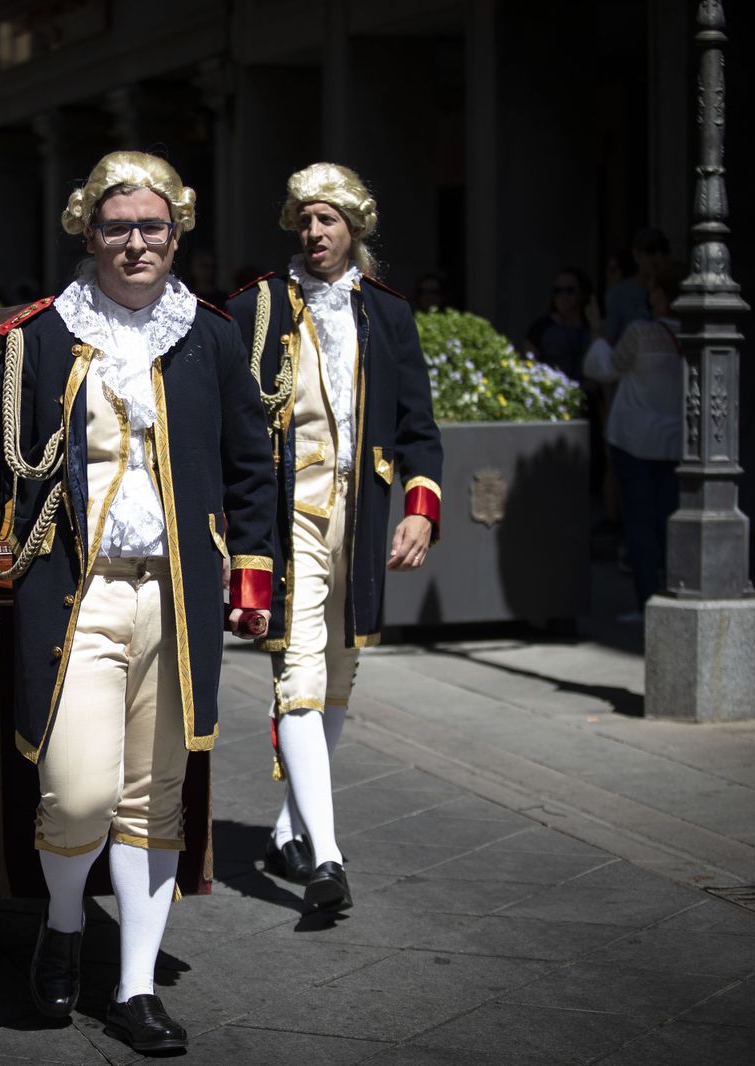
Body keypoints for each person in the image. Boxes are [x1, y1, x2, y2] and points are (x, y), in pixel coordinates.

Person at [0, 151, 276, 1053]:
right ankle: (63, 921)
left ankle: (133, 990)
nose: (137, 243)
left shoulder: (208, 334)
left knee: (154, 799)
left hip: (176, 594)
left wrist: (251, 577)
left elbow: (251, 467)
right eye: (119, 227)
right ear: (89, 231)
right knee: (78, 795)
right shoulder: (40, 335)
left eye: (153, 227)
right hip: (72, 594)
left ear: (177, 234)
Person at [226, 163, 442, 911]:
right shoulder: (255, 308)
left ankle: (288, 830)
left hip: (365, 512)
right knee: (300, 677)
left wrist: (419, 508)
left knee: (341, 674)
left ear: (354, 228)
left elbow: (420, 429)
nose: (315, 233)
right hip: (291, 516)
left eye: (328, 220)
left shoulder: (386, 312)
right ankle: (327, 857)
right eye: (305, 220)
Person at [582, 260, 687, 618]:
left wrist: (596, 330)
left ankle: (647, 601)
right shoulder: (693, 335)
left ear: (660, 295)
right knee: (667, 522)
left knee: (640, 525)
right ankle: (673, 593)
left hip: (637, 442)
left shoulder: (643, 333)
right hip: (675, 443)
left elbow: (606, 367)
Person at [525, 268, 594, 383]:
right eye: (558, 291)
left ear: (582, 293)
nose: (563, 296)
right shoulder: (541, 327)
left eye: (570, 290)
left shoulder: (592, 327)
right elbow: (529, 364)